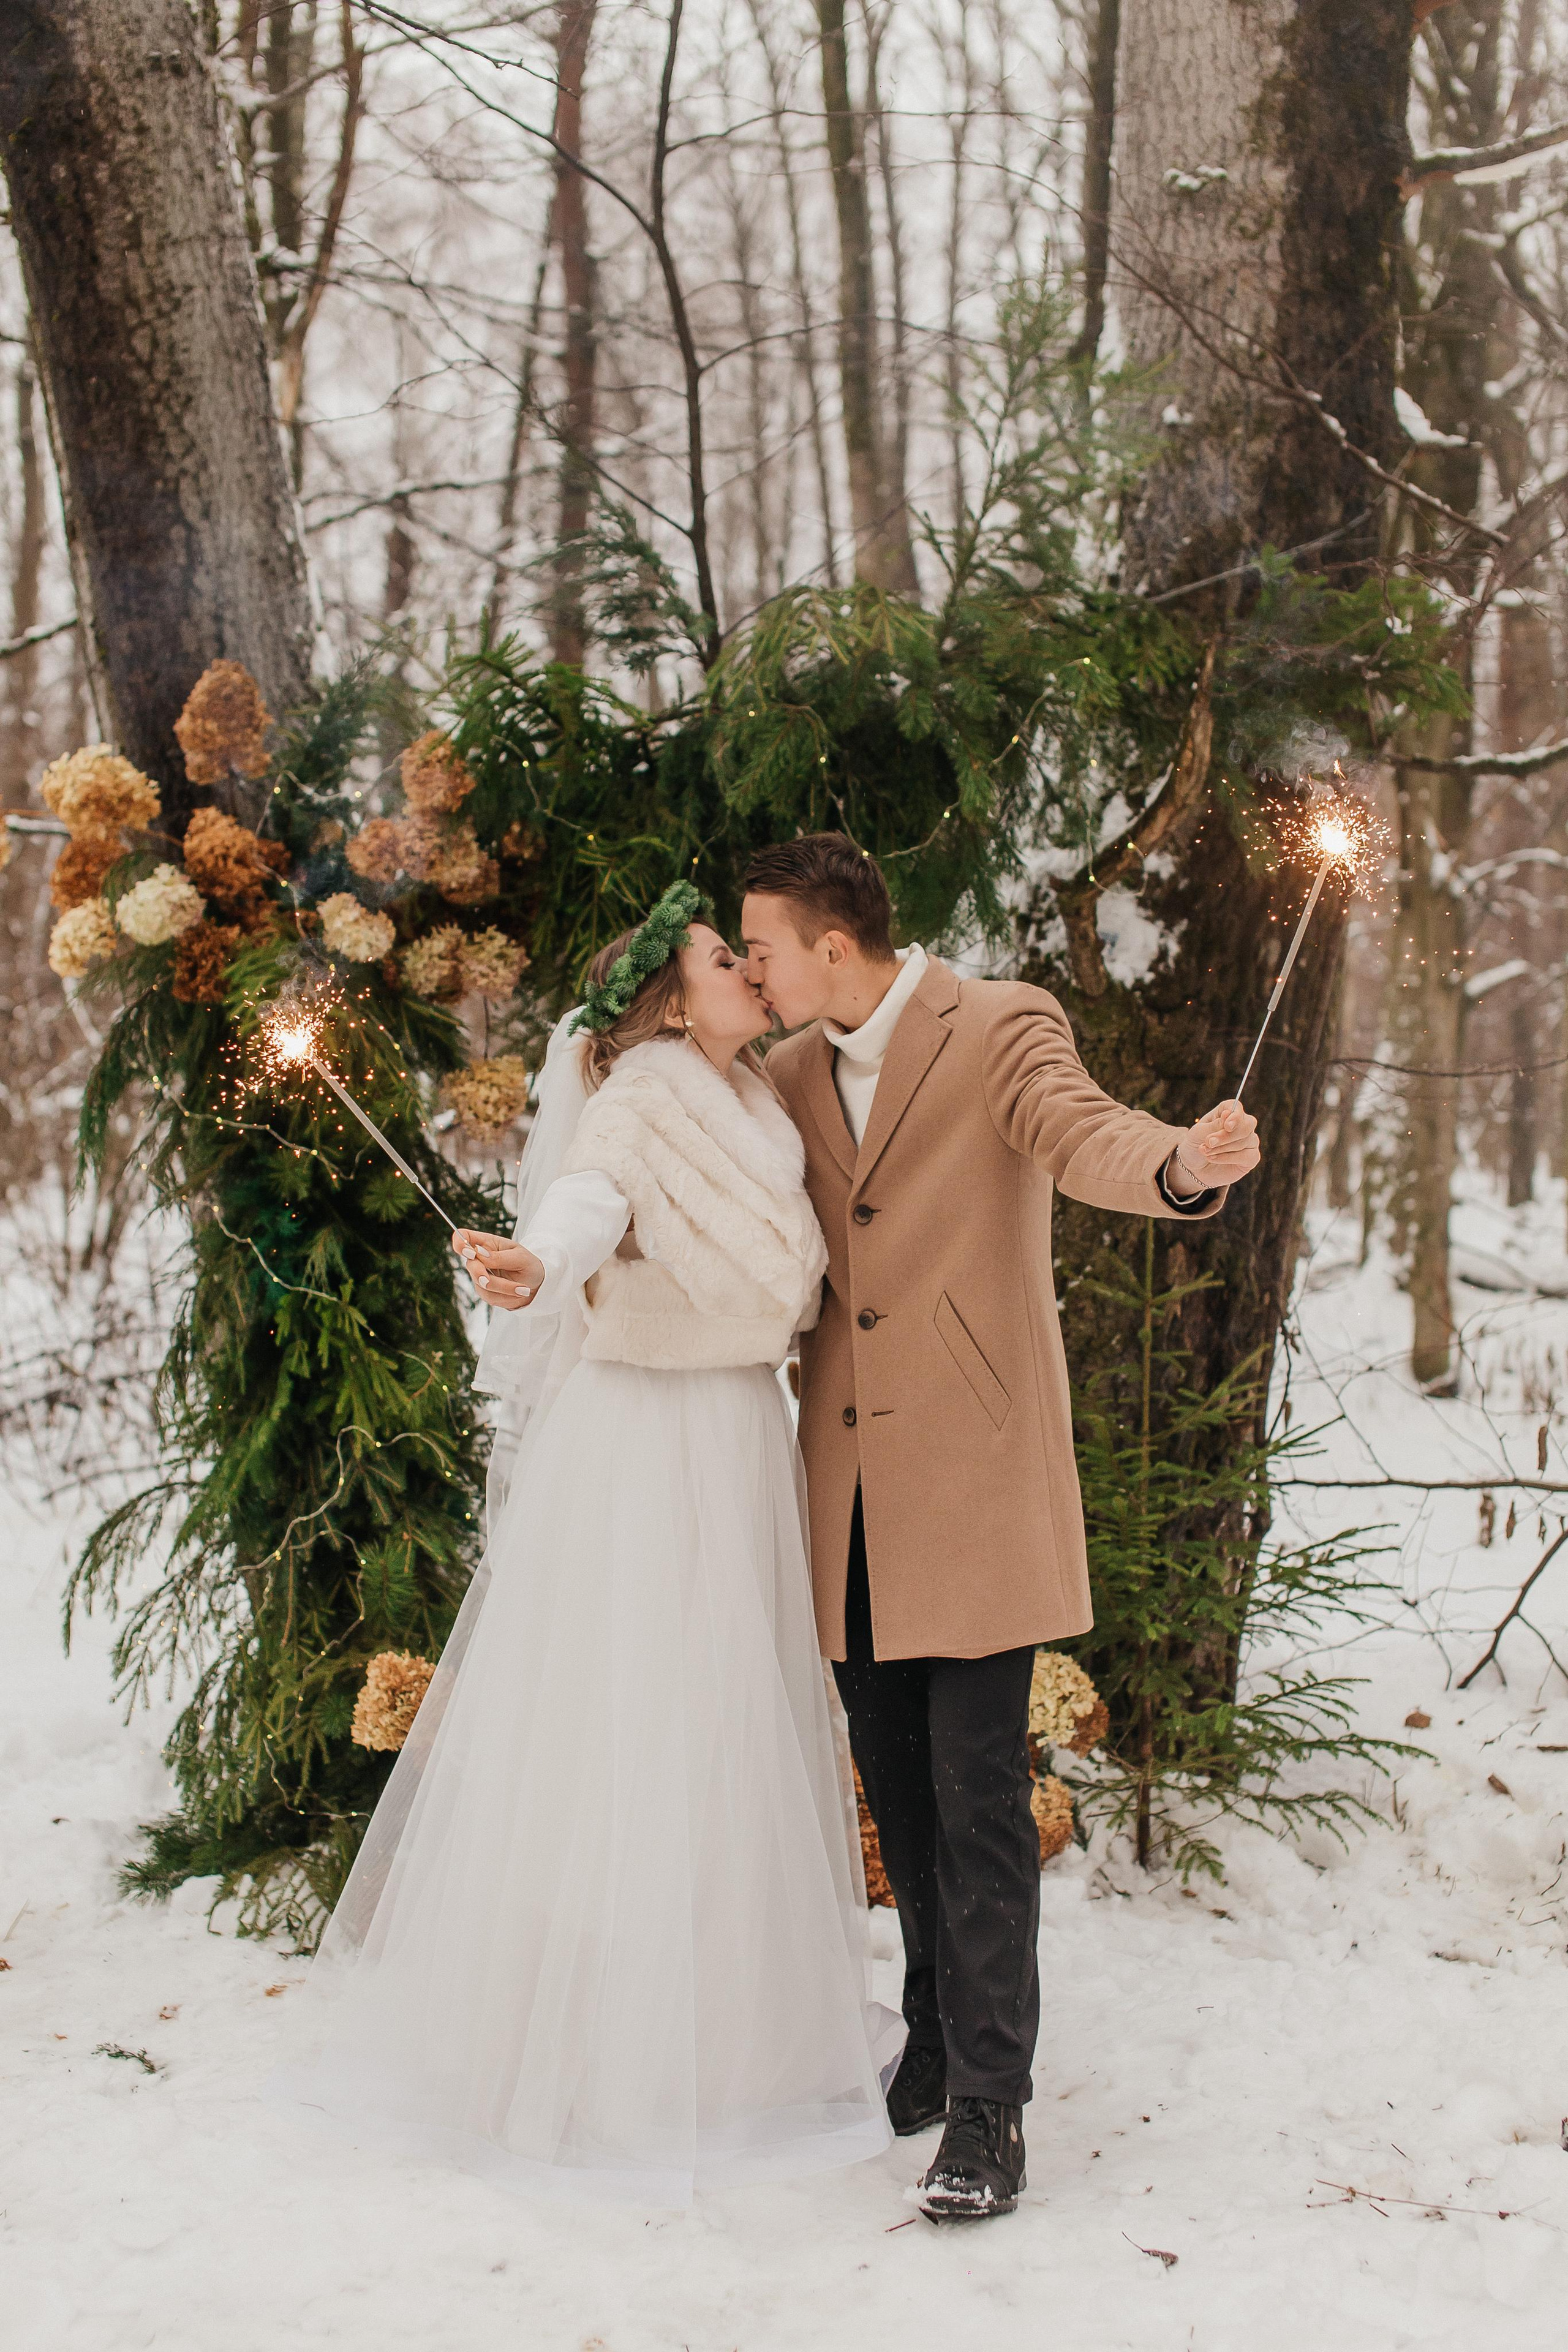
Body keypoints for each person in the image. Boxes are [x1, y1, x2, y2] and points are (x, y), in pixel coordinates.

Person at [270, 882, 898, 2206]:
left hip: (732, 1422)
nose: (745, 969)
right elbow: (590, 1202)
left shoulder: (758, 1094)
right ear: (669, 999)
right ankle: (607, 2053)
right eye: (720, 958)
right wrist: (537, 1267)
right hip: (647, 1440)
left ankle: (733, 2035)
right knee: (641, 1716)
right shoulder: (638, 1099)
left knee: (728, 1717)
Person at [741, 834, 1261, 2223]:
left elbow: (1081, 1132)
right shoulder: (783, 1073)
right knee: (897, 1796)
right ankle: (928, 2032)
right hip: (841, 1492)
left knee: (978, 1803)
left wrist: (1182, 1163)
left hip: (969, 1481)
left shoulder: (998, 1026)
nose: (752, 968)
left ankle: (989, 2111)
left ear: (833, 947)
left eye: (764, 947)